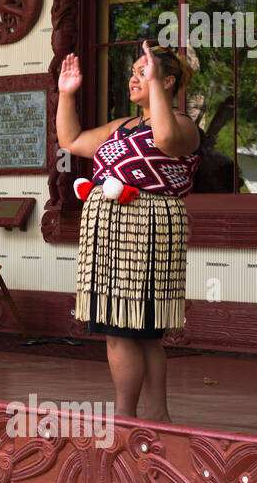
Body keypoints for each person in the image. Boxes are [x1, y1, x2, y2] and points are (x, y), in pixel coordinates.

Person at [56, 41, 201, 421]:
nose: (134, 78)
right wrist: (66, 95)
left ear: (168, 81)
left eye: (145, 71)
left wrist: (154, 88)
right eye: (134, 72)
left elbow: (167, 140)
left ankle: (129, 418)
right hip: (108, 232)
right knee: (127, 328)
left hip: (148, 229)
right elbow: (70, 141)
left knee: (134, 329)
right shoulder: (121, 126)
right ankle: (154, 419)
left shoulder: (183, 123)